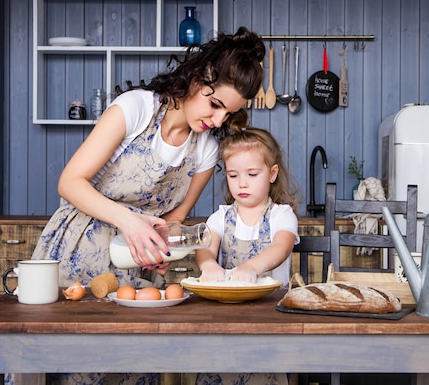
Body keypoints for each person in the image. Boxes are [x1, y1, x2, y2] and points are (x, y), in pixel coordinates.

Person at [26, 27, 265, 385]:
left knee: (131, 367)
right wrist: (130, 222)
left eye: (227, 115)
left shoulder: (205, 149)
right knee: (66, 365)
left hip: (137, 266)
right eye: (215, 105)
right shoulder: (137, 108)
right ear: (198, 79)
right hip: (79, 251)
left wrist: (162, 239)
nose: (217, 122)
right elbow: (70, 182)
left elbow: (175, 217)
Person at [194, 127, 300, 385]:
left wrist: (252, 267)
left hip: (270, 318)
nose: (242, 183)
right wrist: (208, 265)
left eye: (252, 174)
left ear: (272, 174)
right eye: (233, 175)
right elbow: (205, 247)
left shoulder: (281, 215)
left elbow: (281, 247)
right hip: (224, 319)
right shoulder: (220, 217)